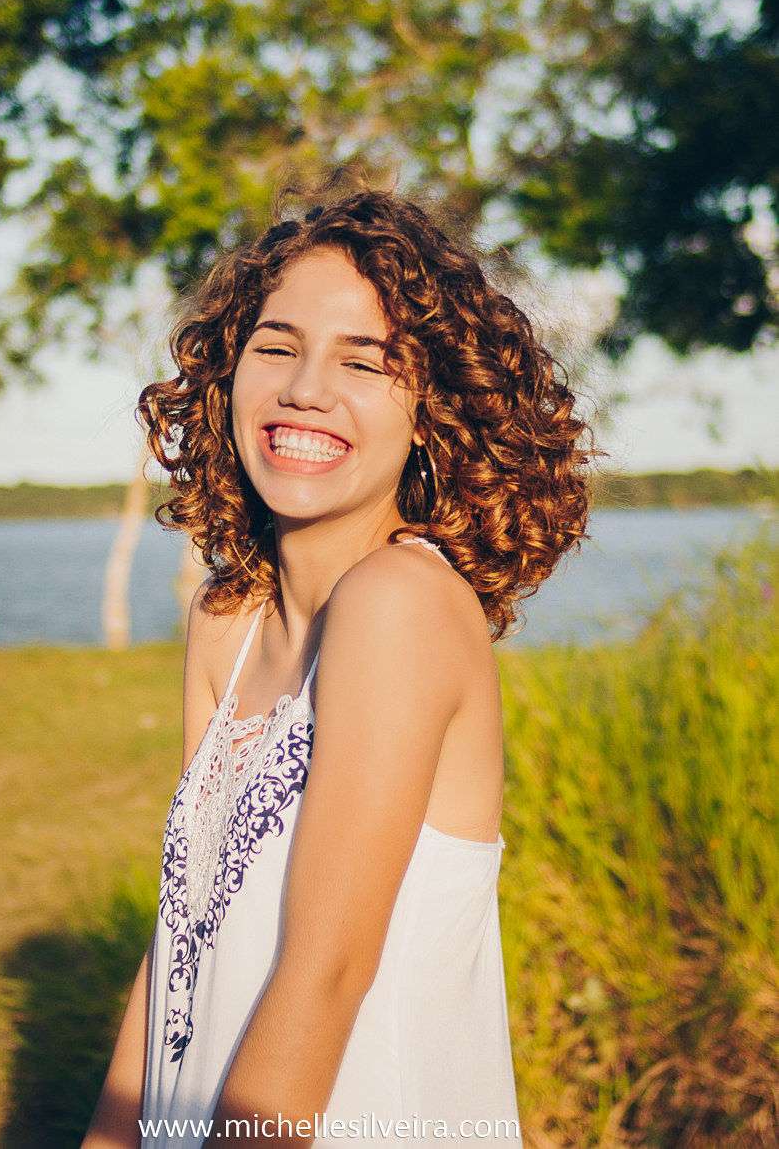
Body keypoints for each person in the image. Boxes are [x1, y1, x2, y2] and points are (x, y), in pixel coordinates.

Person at [81, 188, 592, 1149]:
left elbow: (328, 973)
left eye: (363, 362)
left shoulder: (401, 602)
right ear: (228, 373)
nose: (305, 389)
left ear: (433, 412)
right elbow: (180, 933)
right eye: (276, 348)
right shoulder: (227, 620)